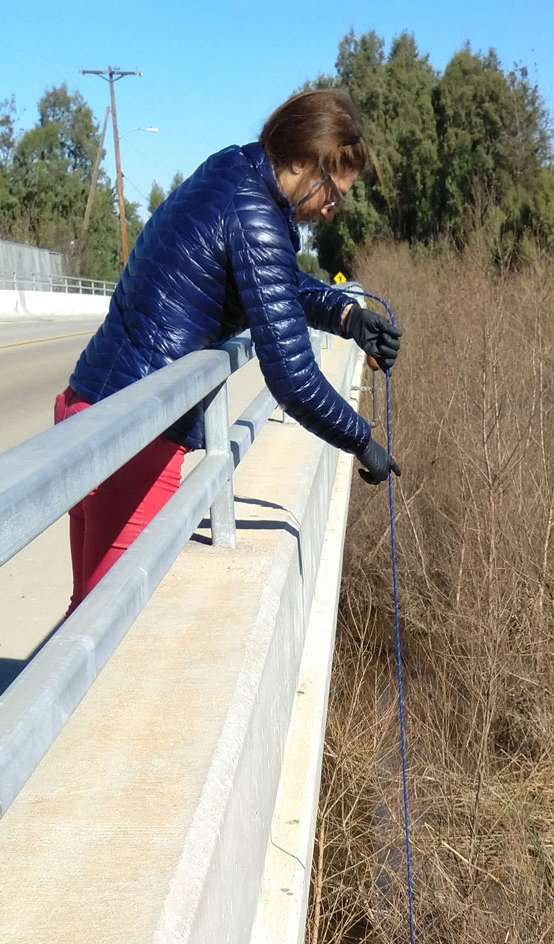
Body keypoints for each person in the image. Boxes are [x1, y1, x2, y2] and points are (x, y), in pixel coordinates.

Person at [56, 88, 401, 611]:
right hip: (133, 438)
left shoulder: (234, 171)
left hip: (88, 406)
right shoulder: (257, 213)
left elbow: (274, 279)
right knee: (109, 635)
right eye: (333, 193)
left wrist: (347, 315)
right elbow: (292, 378)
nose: (331, 211)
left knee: (84, 623)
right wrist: (361, 440)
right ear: (303, 161)